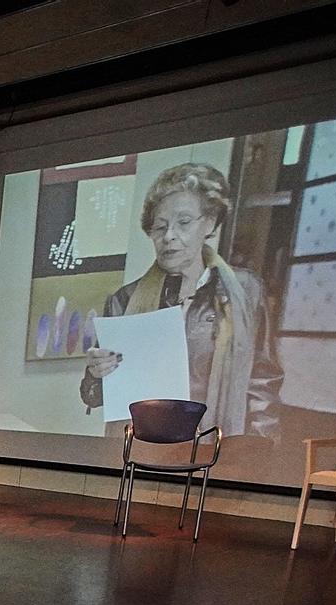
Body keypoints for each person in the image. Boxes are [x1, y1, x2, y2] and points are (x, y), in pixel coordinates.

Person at [79, 163, 282, 440]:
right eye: (160, 227)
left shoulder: (245, 291)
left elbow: (263, 383)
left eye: (183, 223)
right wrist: (95, 374)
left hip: (216, 450)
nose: (169, 236)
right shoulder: (123, 300)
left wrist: (255, 453)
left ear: (209, 223)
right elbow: (99, 397)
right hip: (145, 449)